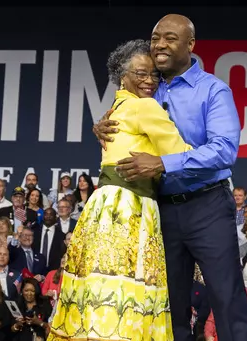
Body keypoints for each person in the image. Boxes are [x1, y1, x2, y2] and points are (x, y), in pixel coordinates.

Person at [93, 14, 247, 341]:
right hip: (159, 211)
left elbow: (225, 151)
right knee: (166, 304)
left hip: (207, 205)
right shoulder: (143, 89)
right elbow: (124, 128)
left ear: (190, 44)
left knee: (226, 297)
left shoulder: (213, 90)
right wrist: (101, 127)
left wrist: (164, 163)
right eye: (155, 38)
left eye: (169, 38)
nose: (159, 45)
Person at [48, 39, 192, 341]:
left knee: (100, 295)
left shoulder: (117, 106)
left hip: (104, 208)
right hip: (130, 209)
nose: (149, 80)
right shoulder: (143, 106)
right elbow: (180, 154)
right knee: (128, 295)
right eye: (141, 73)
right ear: (122, 75)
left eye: (154, 74)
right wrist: (211, 151)